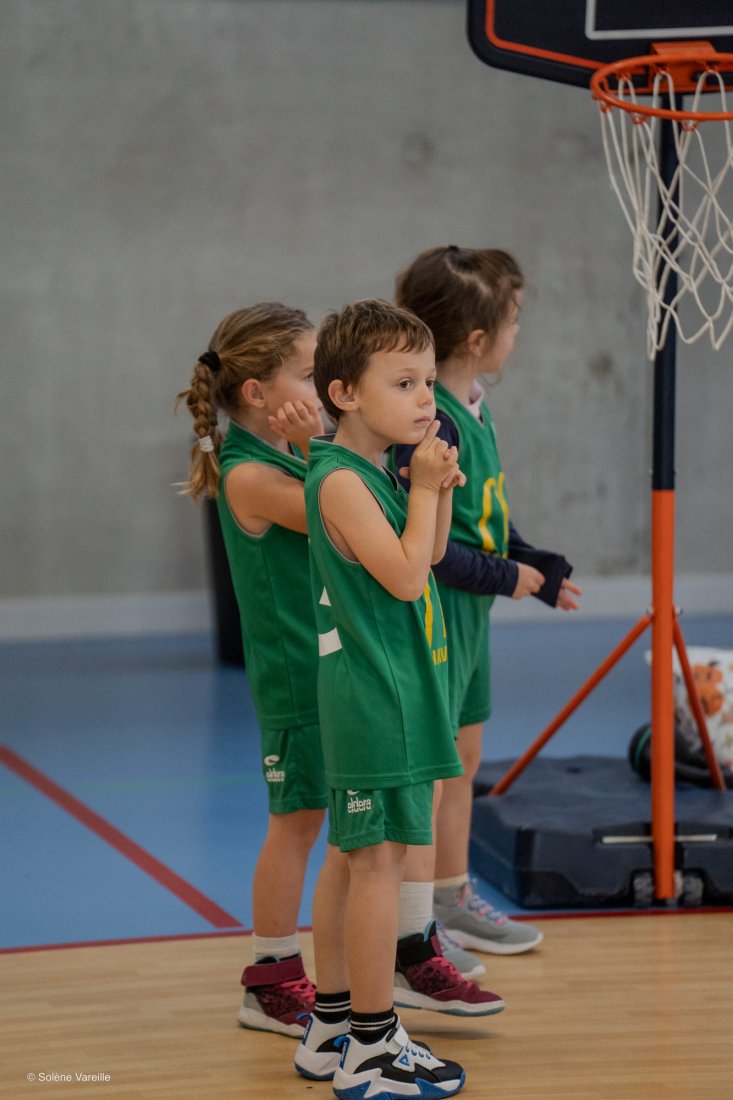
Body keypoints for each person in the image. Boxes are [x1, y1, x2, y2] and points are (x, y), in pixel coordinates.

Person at [295, 299, 503, 1100]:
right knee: (378, 866)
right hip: (374, 696)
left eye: (426, 381)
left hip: (391, 692)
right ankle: (373, 1043)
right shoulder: (340, 480)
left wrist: (434, 488)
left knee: (355, 860)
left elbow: (432, 550)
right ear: (344, 394)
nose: (425, 398)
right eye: (404, 382)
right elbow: (411, 579)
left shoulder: (372, 472)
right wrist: (422, 487)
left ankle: (331, 1026)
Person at [393, 247, 583, 957]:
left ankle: (450, 896)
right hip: (437, 616)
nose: (518, 332)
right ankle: (415, 927)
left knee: (464, 762)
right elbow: (434, 552)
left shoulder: (474, 406)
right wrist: (508, 576)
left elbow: (486, 518)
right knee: (435, 774)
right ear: (477, 339)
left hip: (471, 619)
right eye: (514, 319)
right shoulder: (431, 423)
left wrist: (532, 563)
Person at [177, 303, 327, 1037]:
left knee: (317, 821)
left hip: (328, 671)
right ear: (257, 393)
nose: (324, 387)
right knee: (294, 826)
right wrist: (321, 446)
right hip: (297, 679)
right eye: (310, 373)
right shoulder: (250, 475)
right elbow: (342, 512)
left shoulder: (285, 458)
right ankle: (270, 979)